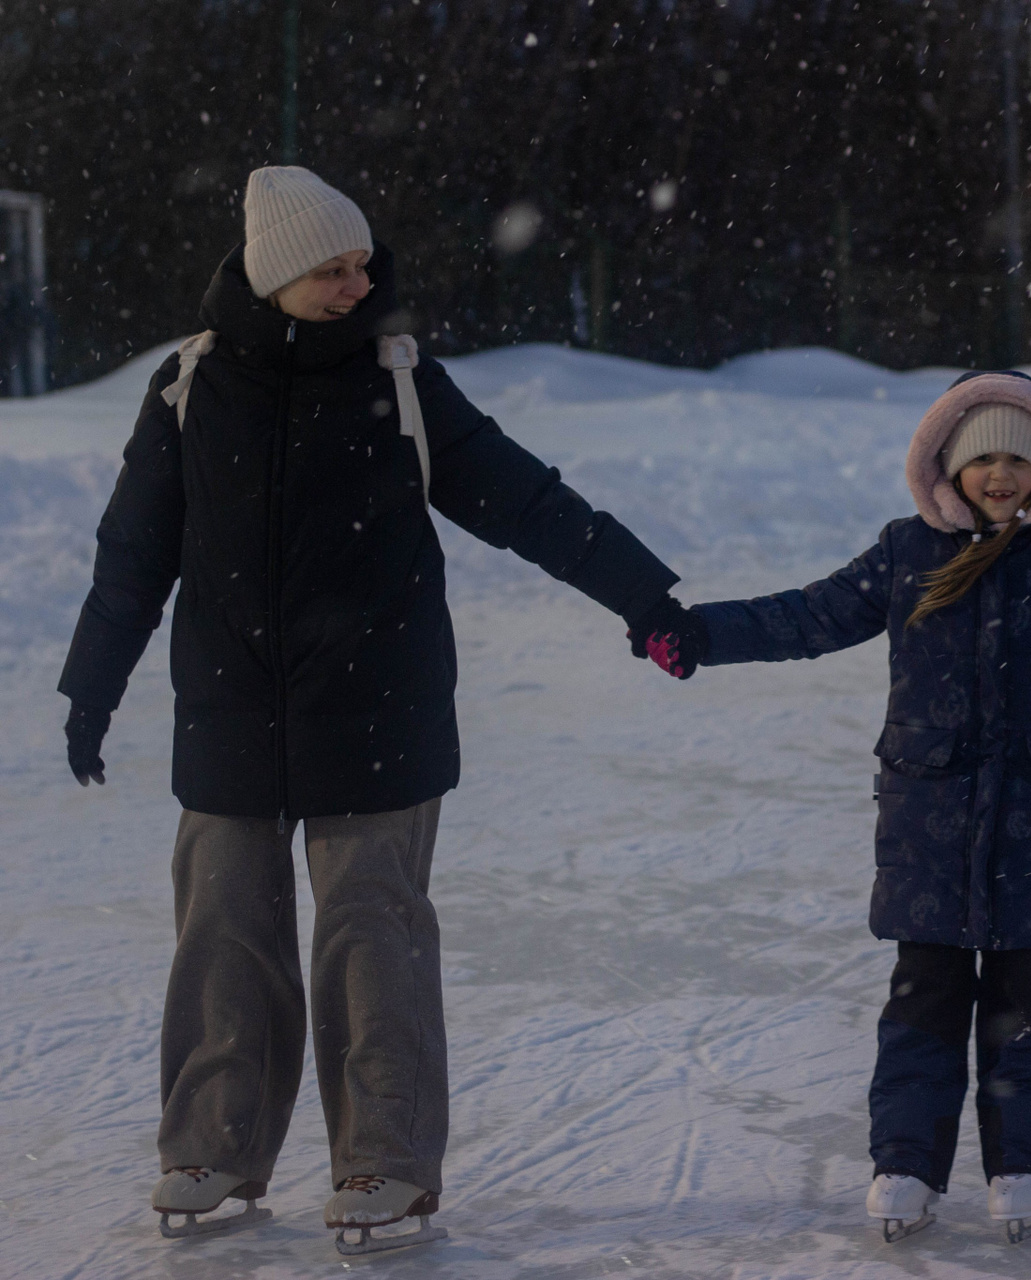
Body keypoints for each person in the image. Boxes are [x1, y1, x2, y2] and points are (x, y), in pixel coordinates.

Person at [58, 167, 688, 1253]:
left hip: (379, 708)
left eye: (362, 264)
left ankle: (384, 1161)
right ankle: (210, 1147)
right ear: (274, 275)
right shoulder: (190, 386)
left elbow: (527, 500)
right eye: (334, 270)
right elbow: (132, 555)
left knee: (371, 937)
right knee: (221, 931)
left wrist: (644, 595)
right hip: (230, 710)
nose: (361, 285)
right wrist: (91, 687)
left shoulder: (399, 383)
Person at [631, 371, 1031, 1245]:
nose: (1000, 475)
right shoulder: (907, 551)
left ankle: (1023, 1166)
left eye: (1019, 459)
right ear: (947, 465)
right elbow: (807, 617)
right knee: (924, 996)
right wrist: (701, 635)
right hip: (928, 820)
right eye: (983, 459)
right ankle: (906, 1163)